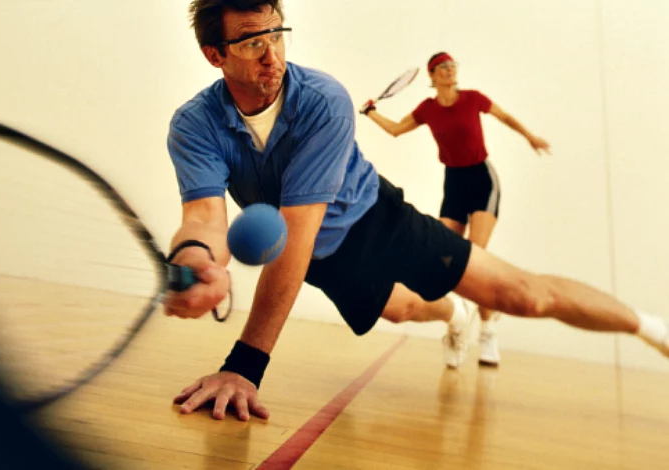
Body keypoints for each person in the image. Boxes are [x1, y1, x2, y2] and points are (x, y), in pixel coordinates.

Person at [164, 0, 669, 422]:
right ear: (215, 55)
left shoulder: (322, 100)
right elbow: (206, 216)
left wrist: (244, 366)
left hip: (378, 221)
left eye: (278, 34)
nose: (271, 55)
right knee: (401, 309)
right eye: (253, 41)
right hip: (321, 258)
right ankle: (455, 314)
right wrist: (195, 260)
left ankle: (651, 327)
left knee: (524, 296)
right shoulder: (194, 125)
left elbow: (297, 233)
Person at [359, 52, 551, 367]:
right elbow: (395, 130)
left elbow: (504, 117)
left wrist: (530, 136)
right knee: (442, 258)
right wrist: (370, 113)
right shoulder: (427, 109)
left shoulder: (473, 99)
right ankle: (456, 325)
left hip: (482, 180)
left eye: (453, 66)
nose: (450, 71)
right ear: (432, 76)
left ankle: (488, 330)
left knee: (476, 258)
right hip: (454, 184)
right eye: (443, 68)